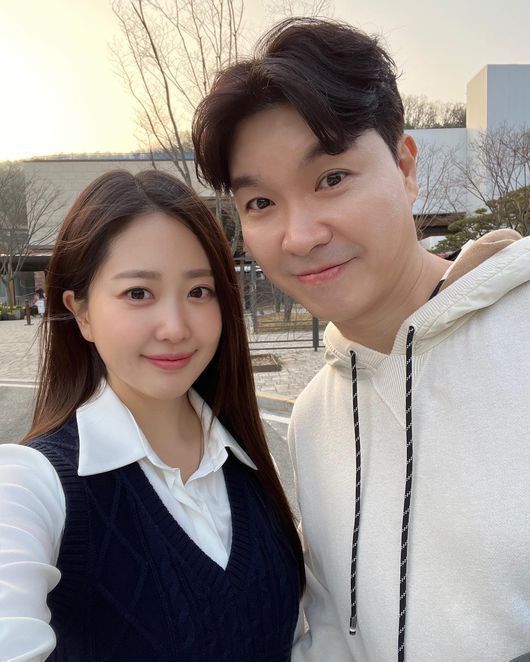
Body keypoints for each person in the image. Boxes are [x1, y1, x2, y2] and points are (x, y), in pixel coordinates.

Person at [192, 17, 530, 662]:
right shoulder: (315, 416)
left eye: (331, 179)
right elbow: (331, 626)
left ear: (404, 167)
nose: (300, 236)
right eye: (260, 203)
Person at [0, 170, 304, 661]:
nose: (175, 328)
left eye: (199, 291)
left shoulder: (245, 459)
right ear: (81, 313)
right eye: (138, 293)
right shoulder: (31, 484)